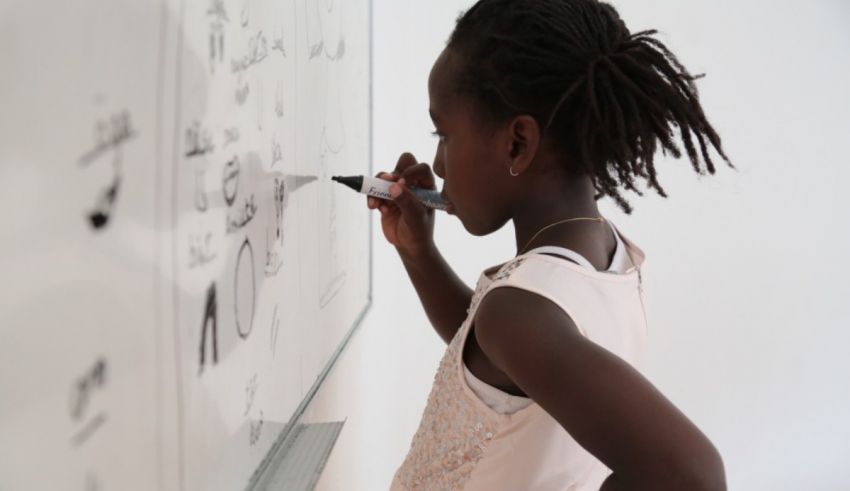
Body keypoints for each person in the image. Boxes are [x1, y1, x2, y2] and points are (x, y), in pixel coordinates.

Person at [368, 0, 735, 489]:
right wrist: (419, 253)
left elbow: (696, 477)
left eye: (445, 134)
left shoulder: (520, 313)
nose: (436, 162)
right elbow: (489, 366)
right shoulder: (605, 257)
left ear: (517, 143)